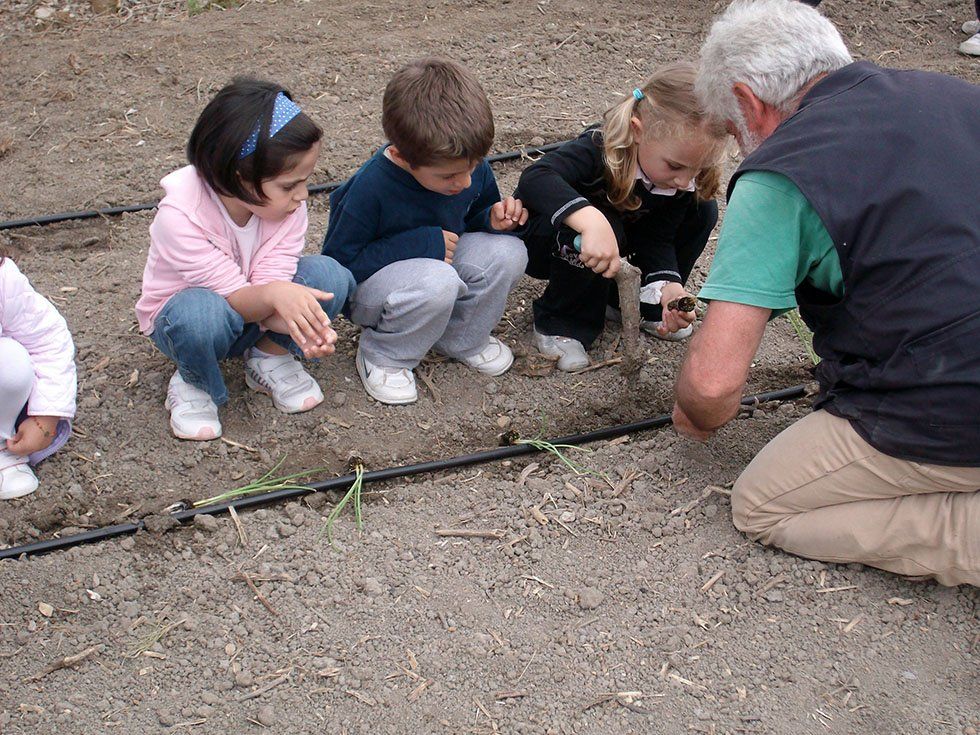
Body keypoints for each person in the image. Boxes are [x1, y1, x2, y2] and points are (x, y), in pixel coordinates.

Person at [673, 0, 980, 586]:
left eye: (733, 133)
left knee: (764, 503)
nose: (740, 150)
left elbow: (713, 389)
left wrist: (694, 412)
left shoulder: (780, 172)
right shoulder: (955, 95)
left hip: (950, 405)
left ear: (747, 102)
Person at [136, 79, 355, 441]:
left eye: (305, 181)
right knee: (200, 314)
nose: (302, 195)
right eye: (288, 185)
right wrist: (282, 302)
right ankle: (194, 378)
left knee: (330, 278)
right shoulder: (180, 217)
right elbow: (236, 298)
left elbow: (271, 281)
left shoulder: (287, 208)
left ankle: (267, 357)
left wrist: (303, 323)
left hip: (253, 309)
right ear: (239, 177)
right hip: (193, 320)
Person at [322, 58, 528, 405]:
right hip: (376, 290)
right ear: (402, 157)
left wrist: (491, 220)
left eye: (472, 168)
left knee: (508, 252)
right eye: (449, 177)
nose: (463, 183)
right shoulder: (370, 188)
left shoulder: (463, 162)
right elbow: (341, 267)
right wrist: (422, 243)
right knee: (438, 280)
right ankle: (385, 354)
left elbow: (473, 214)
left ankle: (462, 337)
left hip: (435, 269)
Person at [513, 62, 725, 372]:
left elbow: (658, 236)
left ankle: (643, 303)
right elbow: (536, 177)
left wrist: (669, 285)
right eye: (676, 167)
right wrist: (587, 218)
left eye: (698, 169)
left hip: (617, 241)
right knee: (603, 221)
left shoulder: (679, 181)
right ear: (639, 132)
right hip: (549, 242)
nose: (685, 181)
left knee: (702, 208)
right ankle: (562, 323)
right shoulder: (598, 147)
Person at [0, 253, 77, 499]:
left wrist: (45, 417)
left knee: (11, 360)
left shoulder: (3, 280)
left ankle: (4, 443)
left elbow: (47, 339)